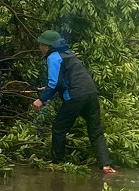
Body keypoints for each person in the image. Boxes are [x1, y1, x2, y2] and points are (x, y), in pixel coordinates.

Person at [33, 30, 115, 174]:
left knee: (59, 128)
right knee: (96, 131)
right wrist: (49, 88)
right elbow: (66, 79)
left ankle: (57, 163)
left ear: (49, 46)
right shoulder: (70, 55)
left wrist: (41, 99)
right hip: (91, 93)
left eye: (42, 45)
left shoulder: (53, 57)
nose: (41, 47)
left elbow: (54, 83)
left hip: (75, 96)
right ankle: (105, 165)